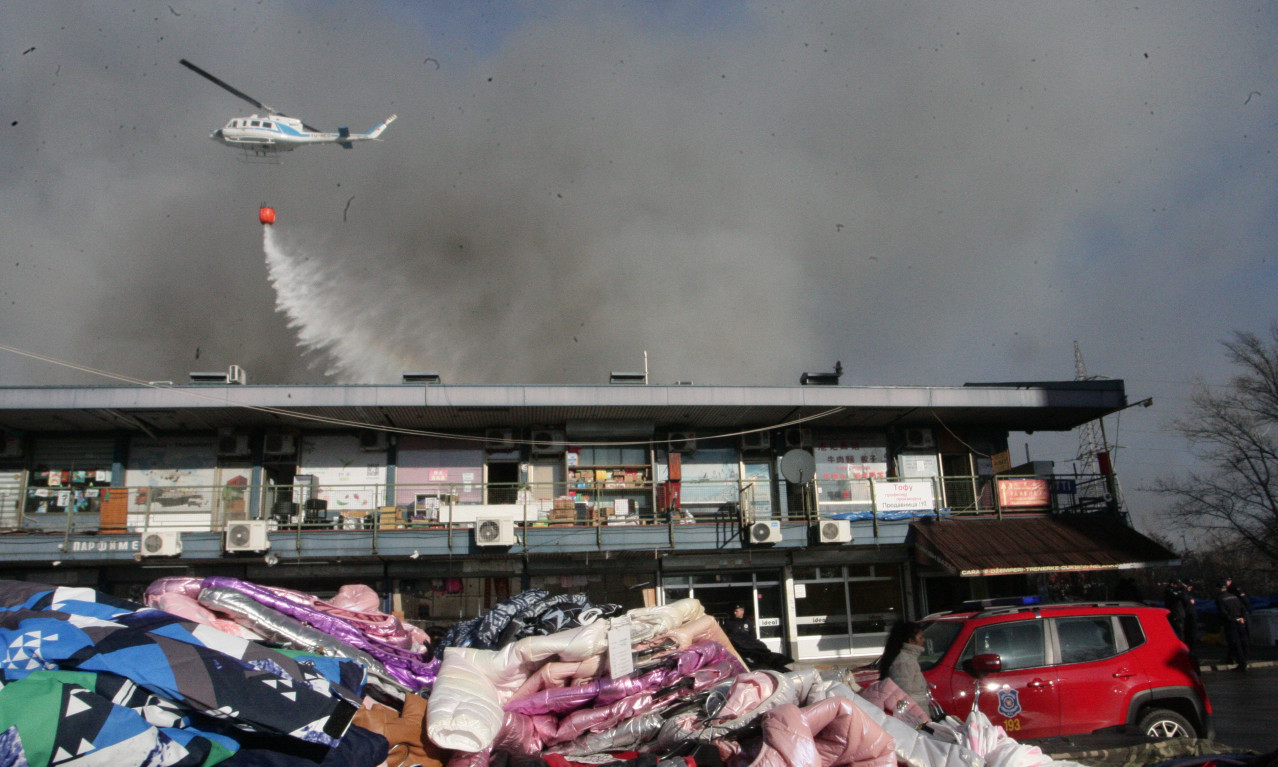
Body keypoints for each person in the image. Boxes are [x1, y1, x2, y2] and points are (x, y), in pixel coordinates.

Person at [721, 604, 793, 672]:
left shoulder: (748, 622)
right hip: (738, 648)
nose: (735, 613)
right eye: (734, 611)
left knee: (762, 652)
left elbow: (753, 636)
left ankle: (778, 664)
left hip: (750, 647)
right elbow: (724, 635)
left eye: (737, 611)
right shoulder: (729, 622)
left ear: (742, 611)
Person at [879, 619, 929, 710]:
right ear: (910, 640)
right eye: (920, 637)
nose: (924, 640)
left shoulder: (909, 659)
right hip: (913, 718)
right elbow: (902, 696)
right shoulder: (904, 662)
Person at [1215, 580, 1248, 672]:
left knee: (1235, 643)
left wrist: (1233, 620)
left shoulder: (1220, 599)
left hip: (1231, 623)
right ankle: (1243, 660)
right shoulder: (1234, 596)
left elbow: (1223, 613)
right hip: (1240, 621)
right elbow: (1243, 608)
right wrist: (1242, 618)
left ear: (1218, 588)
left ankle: (1241, 663)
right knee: (1243, 642)